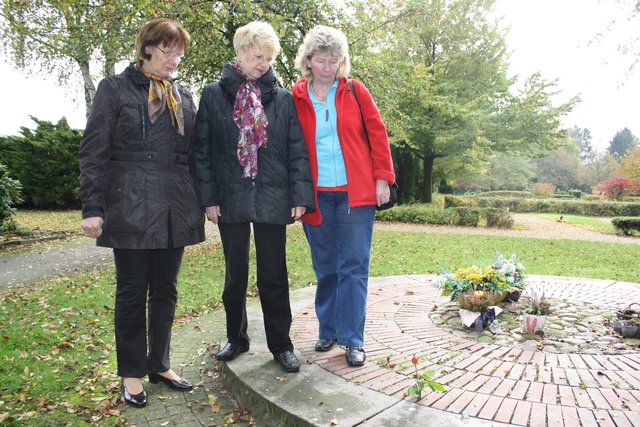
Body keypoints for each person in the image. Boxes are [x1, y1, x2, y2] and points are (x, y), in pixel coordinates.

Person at [79, 18, 205, 408]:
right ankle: (131, 373)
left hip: (176, 207)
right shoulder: (113, 89)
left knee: (166, 289)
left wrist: (206, 200)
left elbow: (197, 155)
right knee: (133, 293)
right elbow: (94, 151)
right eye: (168, 51)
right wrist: (92, 207)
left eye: (179, 53)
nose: (174, 60)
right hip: (130, 205)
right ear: (147, 48)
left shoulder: (183, 95)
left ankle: (159, 364)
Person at [193, 21, 314, 373]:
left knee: (274, 274)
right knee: (235, 273)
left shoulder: (282, 99)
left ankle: (281, 344)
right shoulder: (213, 94)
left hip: (273, 194)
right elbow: (203, 151)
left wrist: (300, 194)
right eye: (258, 56)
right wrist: (209, 198)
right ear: (241, 52)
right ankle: (237, 337)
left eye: (269, 58)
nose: (263, 64)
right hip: (229, 195)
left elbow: (296, 150)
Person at [292, 25, 396, 366]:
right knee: (326, 268)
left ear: (342, 62)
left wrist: (383, 178)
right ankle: (329, 329)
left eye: (334, 61)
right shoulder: (297, 95)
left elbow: (377, 134)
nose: (328, 68)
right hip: (316, 196)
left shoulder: (355, 91)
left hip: (356, 195)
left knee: (353, 267)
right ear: (308, 60)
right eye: (321, 61)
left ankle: (353, 339)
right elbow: (291, 147)